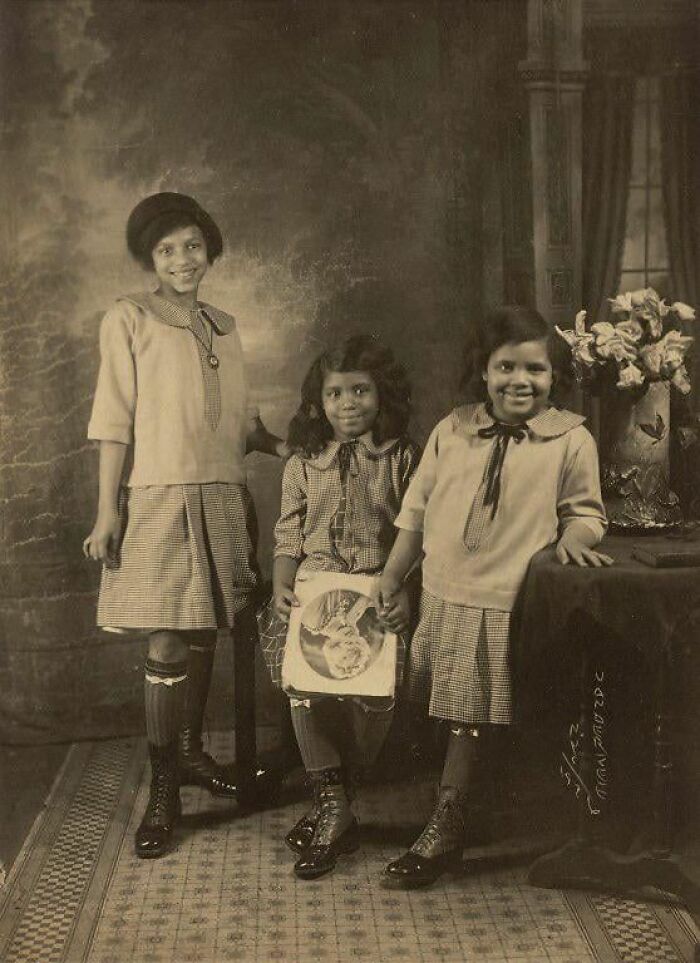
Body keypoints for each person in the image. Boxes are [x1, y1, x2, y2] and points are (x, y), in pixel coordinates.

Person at [378, 304, 613, 888]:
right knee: (454, 713)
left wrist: (575, 539)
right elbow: (416, 509)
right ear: (482, 372)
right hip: (444, 591)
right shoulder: (451, 430)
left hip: (503, 598)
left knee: (470, 716)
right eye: (505, 367)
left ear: (554, 376)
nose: (520, 381)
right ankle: (462, 803)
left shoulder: (570, 439)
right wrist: (392, 572)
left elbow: (585, 511)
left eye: (535, 370)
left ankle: (448, 826)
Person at [83, 192, 287, 858]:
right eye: (167, 248)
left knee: (203, 633)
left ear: (211, 248)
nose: (182, 258)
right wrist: (108, 508)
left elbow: (240, 421)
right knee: (168, 639)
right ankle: (165, 785)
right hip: (158, 494)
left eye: (193, 244)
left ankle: (197, 754)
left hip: (223, 493)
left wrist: (290, 445)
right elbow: (113, 420)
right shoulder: (129, 317)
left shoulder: (225, 323)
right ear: (150, 257)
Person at [258, 335, 419, 879]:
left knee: (374, 692)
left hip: (379, 588)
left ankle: (340, 798)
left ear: (382, 394)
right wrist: (283, 585)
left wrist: (400, 592)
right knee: (306, 687)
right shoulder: (305, 461)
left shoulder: (403, 457)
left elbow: (416, 533)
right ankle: (331, 799)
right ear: (317, 403)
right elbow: (288, 533)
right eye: (335, 394)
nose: (348, 404)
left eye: (360, 391)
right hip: (315, 588)